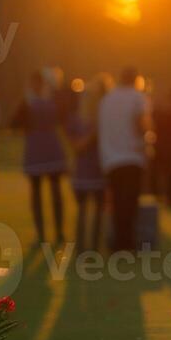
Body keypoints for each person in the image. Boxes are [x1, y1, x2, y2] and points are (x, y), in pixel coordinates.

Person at [10, 70, 68, 246]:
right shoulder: (49, 100)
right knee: (47, 192)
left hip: (39, 148)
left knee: (47, 193)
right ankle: (49, 233)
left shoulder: (29, 101)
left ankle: (50, 234)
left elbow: (14, 124)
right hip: (48, 147)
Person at [99, 67, 150, 252]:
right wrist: (148, 142)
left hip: (110, 158)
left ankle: (117, 242)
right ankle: (126, 244)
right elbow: (141, 124)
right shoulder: (137, 98)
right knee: (129, 203)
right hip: (132, 156)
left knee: (117, 203)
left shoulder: (107, 99)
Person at [68, 76, 108, 250]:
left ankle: (95, 246)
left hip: (99, 171)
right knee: (83, 209)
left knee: (99, 210)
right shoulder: (76, 120)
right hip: (83, 172)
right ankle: (81, 247)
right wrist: (92, 137)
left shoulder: (104, 121)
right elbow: (76, 146)